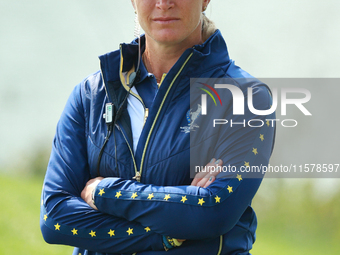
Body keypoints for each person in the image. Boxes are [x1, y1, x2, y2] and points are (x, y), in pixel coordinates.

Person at [40, 0, 275, 254]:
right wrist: (169, 231)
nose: (164, 4)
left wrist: (102, 192)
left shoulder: (246, 99)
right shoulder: (92, 95)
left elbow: (213, 213)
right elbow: (55, 218)